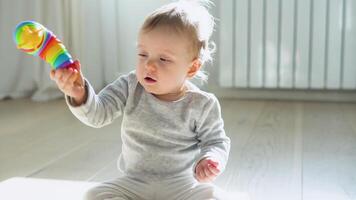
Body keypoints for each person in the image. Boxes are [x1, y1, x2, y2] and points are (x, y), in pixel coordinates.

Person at [50, 0, 231, 199]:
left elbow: (216, 141)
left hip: (183, 186)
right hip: (134, 183)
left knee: (216, 196)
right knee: (94, 194)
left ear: (191, 68)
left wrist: (210, 158)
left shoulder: (203, 104)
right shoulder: (129, 86)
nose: (149, 65)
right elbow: (98, 114)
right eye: (143, 54)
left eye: (163, 59)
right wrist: (79, 94)